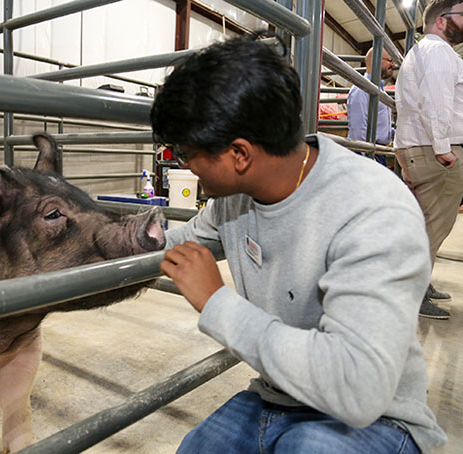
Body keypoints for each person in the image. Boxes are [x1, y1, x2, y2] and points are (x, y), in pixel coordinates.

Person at [151, 34, 447, 454]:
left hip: (376, 415)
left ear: (239, 154)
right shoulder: (235, 199)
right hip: (279, 395)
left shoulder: (373, 210)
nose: (183, 165)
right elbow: (175, 241)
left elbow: (357, 390)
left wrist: (217, 302)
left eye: (185, 154)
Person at [394, 0, 463, 320]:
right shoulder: (439, 53)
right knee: (434, 224)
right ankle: (413, 292)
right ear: (441, 21)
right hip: (435, 151)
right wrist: (442, 148)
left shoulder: (425, 52)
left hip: (420, 147)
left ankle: (418, 283)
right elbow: (437, 103)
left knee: (425, 222)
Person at [347, 47, 395, 166]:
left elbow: (379, 124)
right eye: (389, 60)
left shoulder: (380, 91)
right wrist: (367, 158)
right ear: (376, 60)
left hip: (377, 151)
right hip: (366, 153)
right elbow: (358, 129)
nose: (393, 64)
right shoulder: (361, 89)